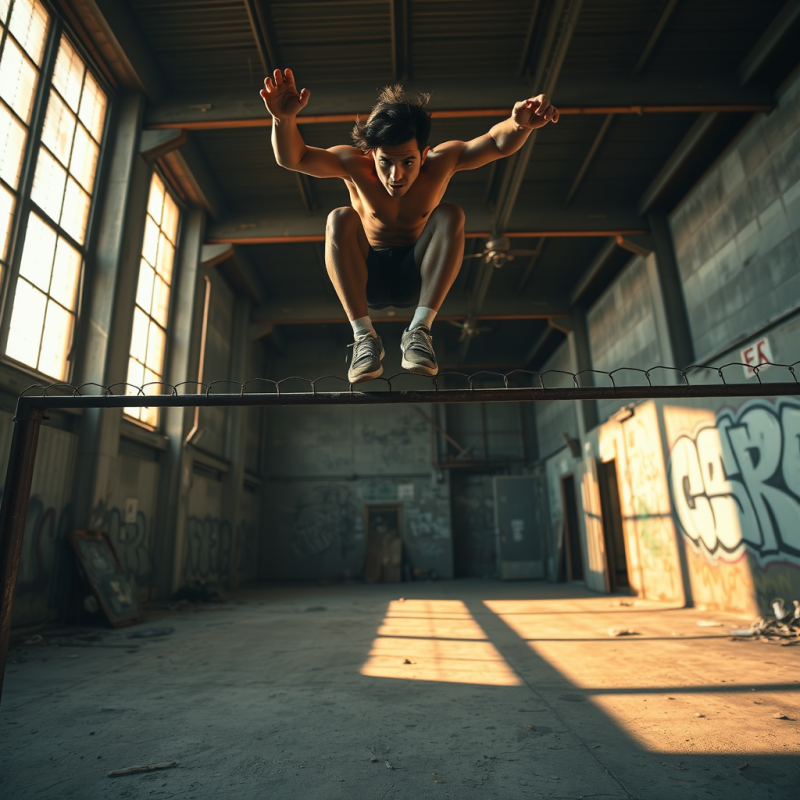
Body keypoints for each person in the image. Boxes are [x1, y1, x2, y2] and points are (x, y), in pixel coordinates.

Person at [260, 69, 559, 383]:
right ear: (371, 153)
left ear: (425, 154)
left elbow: (495, 143)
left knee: (450, 214)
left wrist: (519, 124)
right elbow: (295, 158)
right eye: (385, 162)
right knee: (339, 217)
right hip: (366, 276)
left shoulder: (442, 162)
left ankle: (419, 331)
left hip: (417, 275)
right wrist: (283, 120)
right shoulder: (353, 165)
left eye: (408, 162)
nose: (395, 176)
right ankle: (364, 337)